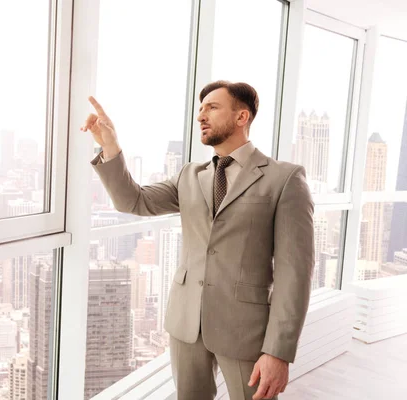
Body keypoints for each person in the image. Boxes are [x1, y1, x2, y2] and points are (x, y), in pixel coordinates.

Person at [81, 81, 315, 400]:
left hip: (246, 329)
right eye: (200, 108)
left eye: (212, 107)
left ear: (241, 117)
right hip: (186, 323)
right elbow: (132, 201)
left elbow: (295, 273)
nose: (201, 115)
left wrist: (279, 351)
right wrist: (110, 144)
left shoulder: (284, 178)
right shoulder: (190, 175)